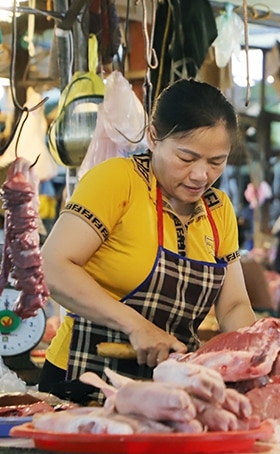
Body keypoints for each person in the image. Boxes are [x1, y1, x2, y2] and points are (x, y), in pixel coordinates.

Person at [38, 78, 257, 402]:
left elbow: (234, 305)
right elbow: (52, 267)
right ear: (154, 137)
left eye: (216, 162)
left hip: (173, 389)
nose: (201, 175)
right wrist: (135, 326)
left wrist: (256, 352)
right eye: (186, 158)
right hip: (85, 381)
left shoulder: (217, 209)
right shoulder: (117, 181)